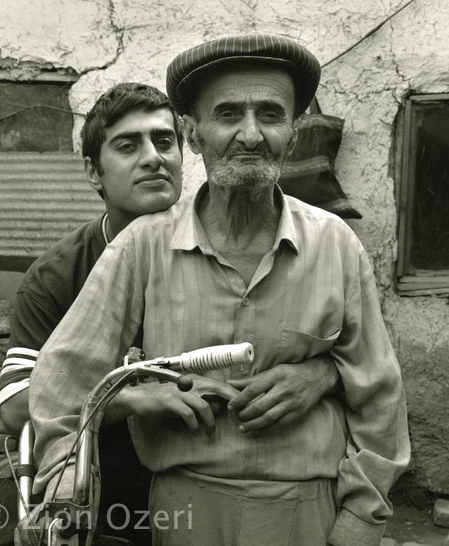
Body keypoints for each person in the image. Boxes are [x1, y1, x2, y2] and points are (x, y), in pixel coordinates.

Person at [27, 34, 409, 546]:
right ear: (194, 133)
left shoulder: (335, 244)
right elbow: (61, 386)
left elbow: (379, 395)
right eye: (228, 114)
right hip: (182, 513)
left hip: (308, 512)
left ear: (292, 133)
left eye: (271, 115)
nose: (250, 135)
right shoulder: (143, 246)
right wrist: (63, 499)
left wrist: (361, 521)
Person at [0, 82, 185, 545]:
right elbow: (16, 405)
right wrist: (128, 400)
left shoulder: (219, 254)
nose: (153, 157)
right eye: (128, 145)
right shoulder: (58, 274)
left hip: (201, 490)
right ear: (93, 172)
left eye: (164, 141)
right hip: (98, 501)